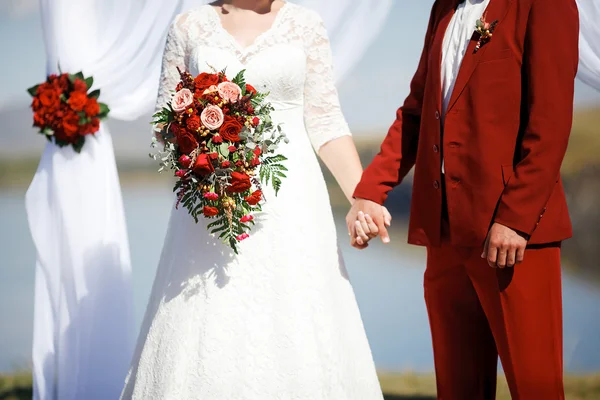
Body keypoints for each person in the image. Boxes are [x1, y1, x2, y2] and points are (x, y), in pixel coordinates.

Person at [121, 1, 388, 399]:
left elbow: (326, 120)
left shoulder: (305, 25)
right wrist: (202, 139)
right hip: (212, 202)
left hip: (291, 199)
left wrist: (361, 198)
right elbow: (165, 122)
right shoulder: (188, 27)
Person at [348, 0, 579, 398]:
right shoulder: (443, 8)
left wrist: (516, 218)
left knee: (535, 388)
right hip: (444, 233)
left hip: (511, 237)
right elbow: (416, 112)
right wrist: (371, 191)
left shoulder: (545, 4)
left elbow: (551, 122)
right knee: (457, 389)